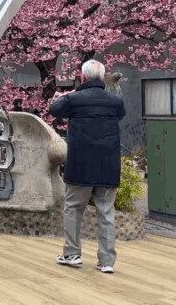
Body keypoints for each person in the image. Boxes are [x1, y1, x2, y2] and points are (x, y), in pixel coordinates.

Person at [49, 59, 126, 274]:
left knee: (73, 208)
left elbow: (55, 109)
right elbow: (120, 115)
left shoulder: (73, 99)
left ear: (83, 77)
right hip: (108, 164)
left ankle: (72, 254)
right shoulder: (115, 101)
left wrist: (59, 97)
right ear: (103, 77)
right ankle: (107, 261)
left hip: (80, 163)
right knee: (106, 213)